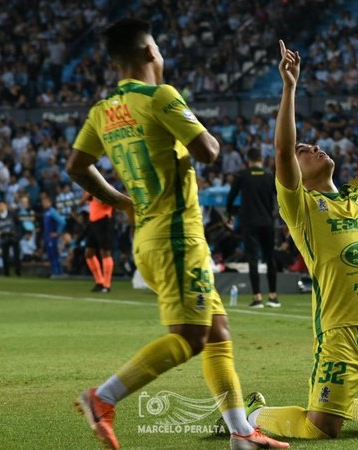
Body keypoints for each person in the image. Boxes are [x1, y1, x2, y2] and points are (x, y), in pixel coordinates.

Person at [66, 18, 288, 450]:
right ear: (150, 53)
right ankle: (103, 398)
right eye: (160, 50)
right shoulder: (161, 96)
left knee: (218, 333)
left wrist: (122, 201)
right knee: (190, 338)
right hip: (176, 239)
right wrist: (191, 128)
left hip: (151, 236)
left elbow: (77, 166)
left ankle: (242, 434)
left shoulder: (103, 111)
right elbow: (209, 150)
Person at [242, 39, 358, 440]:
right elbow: (280, 150)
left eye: (312, 145)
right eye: (303, 150)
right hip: (341, 333)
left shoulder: (357, 194)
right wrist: (290, 87)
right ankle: (255, 416)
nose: (312, 147)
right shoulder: (301, 206)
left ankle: (356, 405)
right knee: (321, 429)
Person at [226, 147, 280, 308]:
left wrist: (230, 214)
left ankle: (257, 298)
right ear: (261, 159)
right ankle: (273, 297)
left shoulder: (242, 175)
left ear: (248, 159)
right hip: (267, 222)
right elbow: (279, 197)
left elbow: (231, 197)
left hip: (249, 222)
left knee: (253, 258)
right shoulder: (270, 175)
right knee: (270, 257)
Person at [81, 191, 115, 293]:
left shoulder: (107, 187)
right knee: (88, 253)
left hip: (104, 221)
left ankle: (107, 284)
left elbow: (103, 202)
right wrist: (88, 193)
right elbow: (81, 202)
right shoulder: (89, 188)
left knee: (105, 252)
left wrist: (94, 193)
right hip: (93, 223)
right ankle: (99, 281)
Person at [0, 201, 21, 276]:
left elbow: (18, 224)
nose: (0, 207)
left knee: (16, 255)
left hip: (13, 237)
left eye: (2, 205)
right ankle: (6, 273)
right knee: (5, 256)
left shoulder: (12, 214)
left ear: (6, 206)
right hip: (4, 238)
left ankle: (18, 272)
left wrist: (18, 234)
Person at [41, 195, 66, 277]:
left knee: (54, 255)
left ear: (50, 203)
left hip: (52, 238)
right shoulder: (46, 212)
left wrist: (58, 233)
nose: (43, 204)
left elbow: (62, 222)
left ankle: (58, 273)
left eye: (45, 202)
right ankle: (55, 272)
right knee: (51, 255)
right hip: (48, 237)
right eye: (43, 202)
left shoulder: (52, 211)